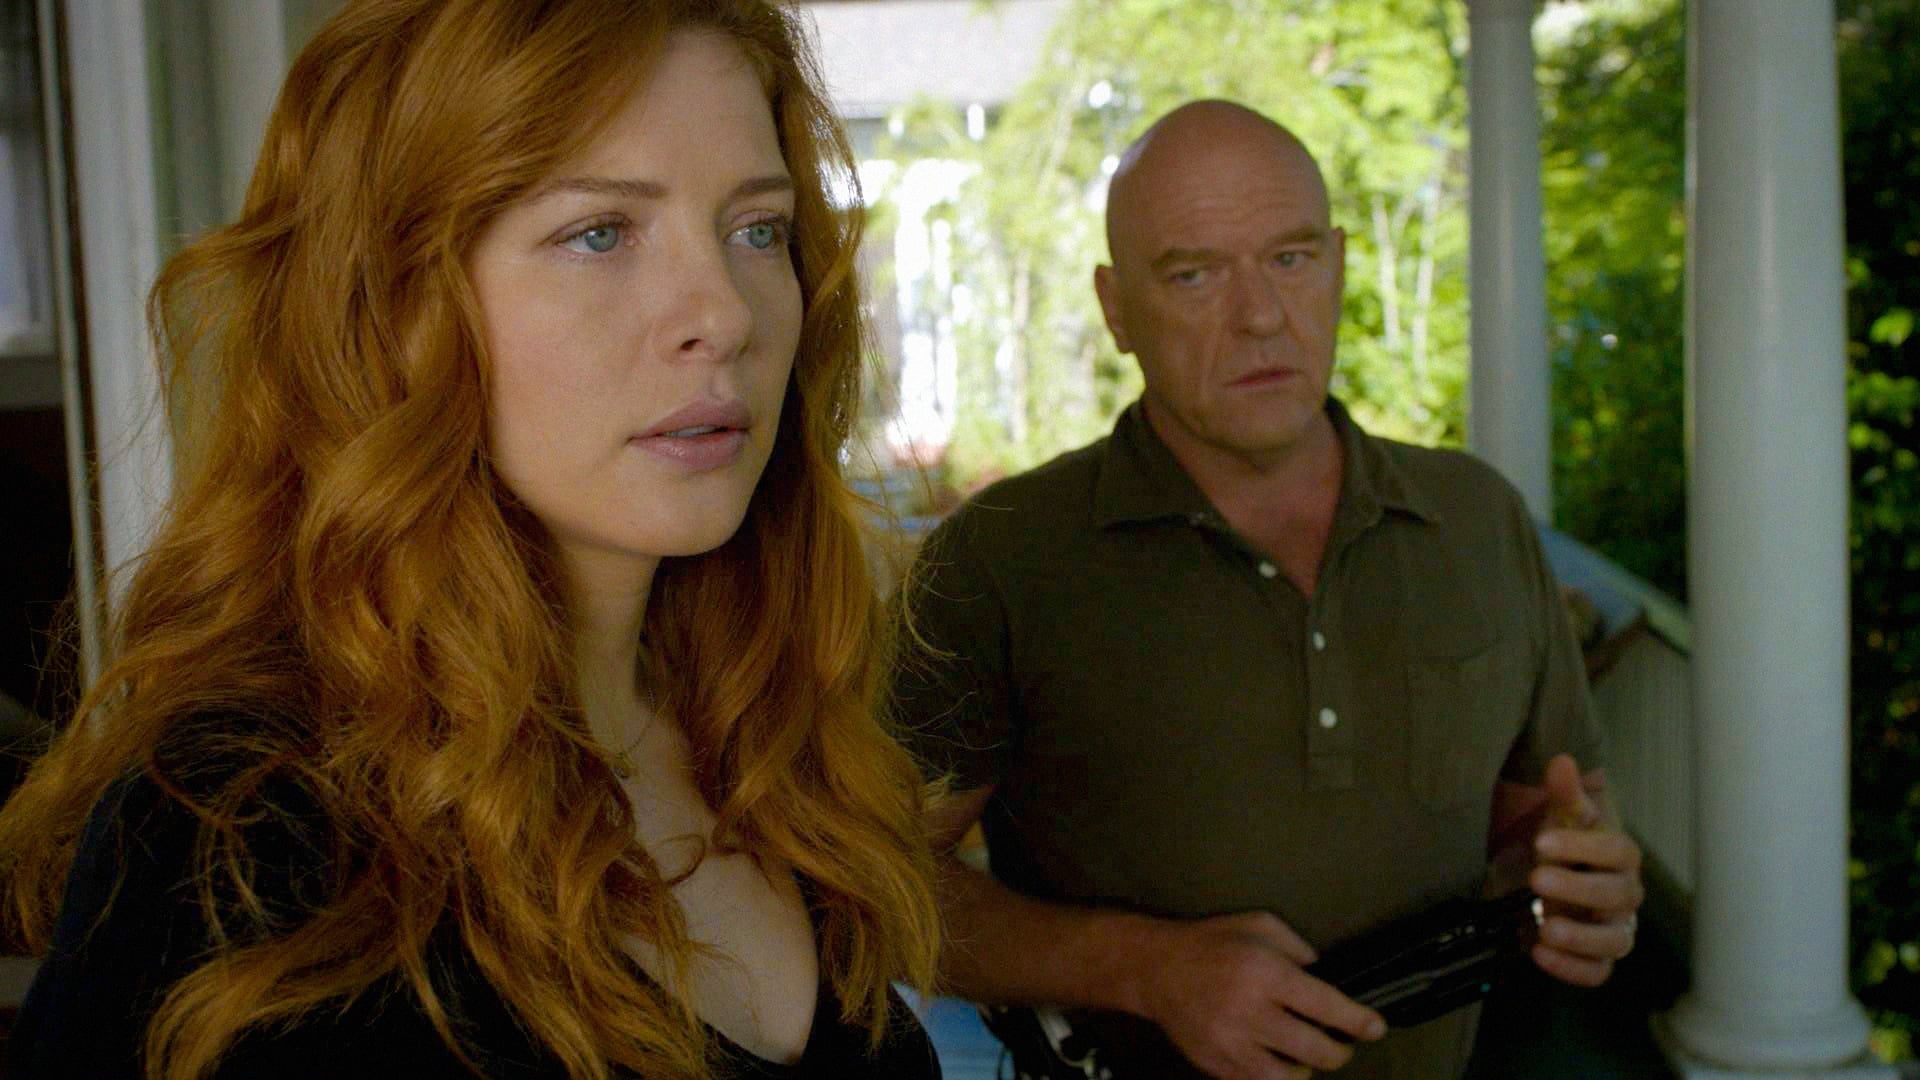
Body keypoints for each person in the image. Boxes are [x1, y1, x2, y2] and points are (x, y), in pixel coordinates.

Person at [0, 1, 943, 1077]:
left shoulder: (767, 746)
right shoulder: (242, 832)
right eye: (600, 233)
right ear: (393, 304)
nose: (725, 314)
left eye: (758, 229)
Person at [892, 100, 1644, 1080]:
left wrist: (1583, 875)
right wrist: (1145, 969)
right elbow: (873, 890)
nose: (1259, 316)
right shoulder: (1003, 558)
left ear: (1338, 264)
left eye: (1291, 258)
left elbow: (1543, 814)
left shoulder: (1475, 521)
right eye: (1194, 274)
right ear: (1117, 309)